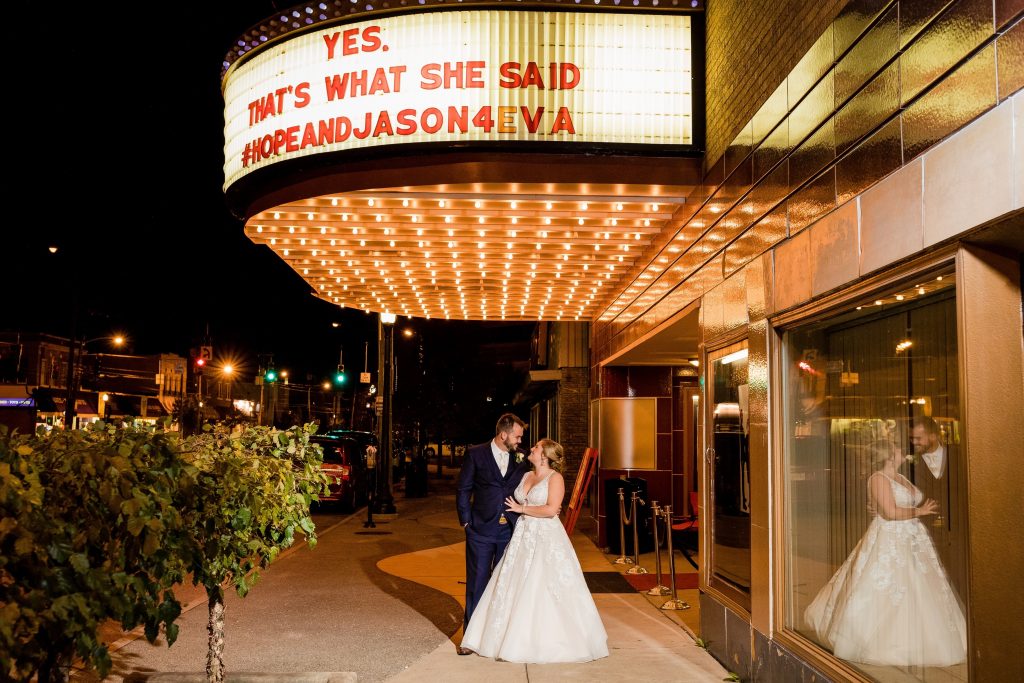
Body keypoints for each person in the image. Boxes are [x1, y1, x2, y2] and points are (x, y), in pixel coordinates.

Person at [804, 440, 966, 667]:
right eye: (897, 449)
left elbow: (888, 505)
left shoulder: (900, 476)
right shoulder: (878, 478)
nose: (902, 451)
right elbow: (890, 512)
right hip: (890, 539)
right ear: (890, 455)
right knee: (890, 587)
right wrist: (920, 510)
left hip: (913, 538)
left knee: (921, 587)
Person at [459, 438, 609, 663]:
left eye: (537, 447)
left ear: (545, 455)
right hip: (521, 535)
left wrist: (522, 508)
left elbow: (550, 510)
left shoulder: (555, 478)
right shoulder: (525, 474)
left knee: (542, 584)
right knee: (513, 585)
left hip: (545, 537)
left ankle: (544, 640)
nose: (531, 448)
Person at [455, 413, 530, 654]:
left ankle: (498, 638)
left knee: (504, 584)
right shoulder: (476, 454)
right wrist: (466, 522)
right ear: (503, 434)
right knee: (477, 583)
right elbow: (464, 488)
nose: (520, 441)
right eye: (517, 436)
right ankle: (470, 640)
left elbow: (533, 481)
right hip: (480, 529)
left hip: (509, 529)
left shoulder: (521, 457)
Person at [911, 416, 965, 598]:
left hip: (959, 530)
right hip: (928, 532)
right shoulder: (910, 464)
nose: (914, 442)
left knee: (961, 579)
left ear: (933, 436)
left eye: (918, 438)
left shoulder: (960, 455)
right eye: (913, 439)